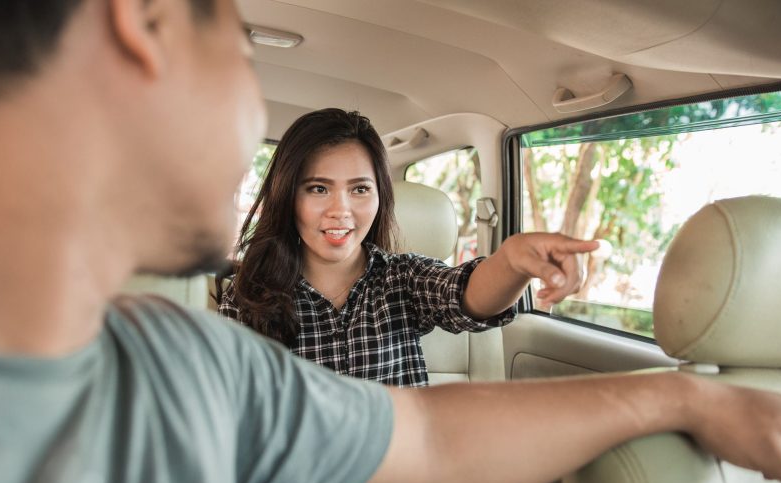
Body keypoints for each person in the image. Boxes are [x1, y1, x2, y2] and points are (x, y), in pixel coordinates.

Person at [0, 0, 781, 483]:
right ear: (140, 21)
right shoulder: (233, 314)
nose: (333, 205)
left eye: (358, 188)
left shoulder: (192, 370)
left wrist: (686, 391)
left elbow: (433, 432)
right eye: (236, 41)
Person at [218, 108, 596, 387]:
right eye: (318, 188)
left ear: (380, 196)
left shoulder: (404, 278)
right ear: (289, 196)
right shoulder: (247, 294)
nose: (341, 210)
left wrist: (514, 260)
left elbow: (467, 295)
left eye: (360, 189)